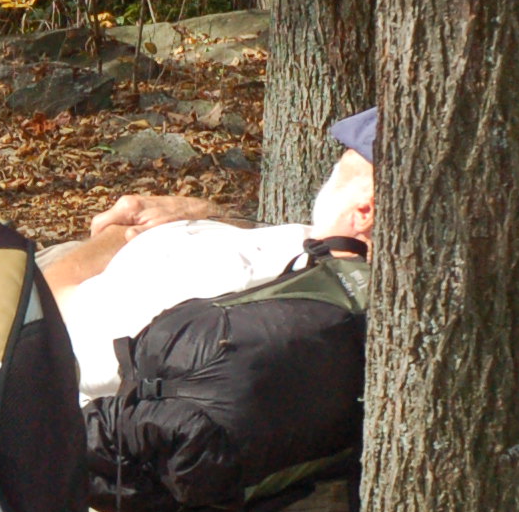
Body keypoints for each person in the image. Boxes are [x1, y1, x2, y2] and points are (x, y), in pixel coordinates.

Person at [44, 108, 378, 397]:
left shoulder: (221, 281)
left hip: (69, 291)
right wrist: (207, 213)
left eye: (347, 159)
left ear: (365, 211)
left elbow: (44, 316)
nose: (338, 163)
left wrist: (119, 237)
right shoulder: (342, 268)